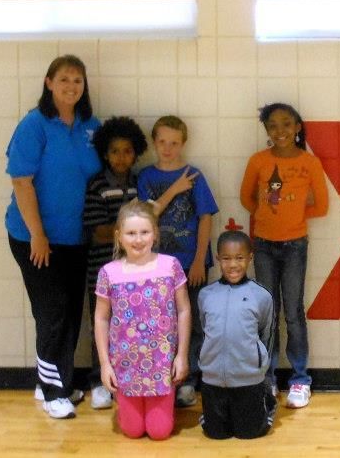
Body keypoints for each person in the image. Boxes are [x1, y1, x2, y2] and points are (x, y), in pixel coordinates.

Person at [5, 54, 101, 418]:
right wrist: (38, 236)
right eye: (64, 80)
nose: (71, 87)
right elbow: (21, 181)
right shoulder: (34, 124)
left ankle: (56, 380)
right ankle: (51, 390)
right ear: (49, 82)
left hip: (76, 238)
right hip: (34, 237)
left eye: (77, 80)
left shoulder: (90, 124)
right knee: (52, 312)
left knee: (71, 311)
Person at [240, 103, 329, 408]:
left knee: (293, 311)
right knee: (267, 312)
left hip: (295, 246)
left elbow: (322, 206)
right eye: (273, 125)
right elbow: (246, 198)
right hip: (263, 245)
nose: (280, 131)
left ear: (297, 127)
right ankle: (267, 379)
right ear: (266, 130)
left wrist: (292, 220)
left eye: (287, 124)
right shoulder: (258, 161)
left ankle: (300, 379)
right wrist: (268, 217)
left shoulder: (309, 163)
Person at [137, 115, 219, 407]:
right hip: (157, 266)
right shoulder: (146, 177)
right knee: (160, 324)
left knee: (193, 323)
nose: (168, 148)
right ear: (154, 143)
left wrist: (199, 260)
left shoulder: (194, 175)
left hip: (190, 263)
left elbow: (205, 218)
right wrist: (174, 188)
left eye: (174, 143)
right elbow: (147, 215)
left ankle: (189, 380)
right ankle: (162, 377)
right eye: (162, 142)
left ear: (183, 144)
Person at [92, 200, 191, 440]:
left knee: (159, 432)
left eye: (144, 232)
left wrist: (182, 355)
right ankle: (130, 409)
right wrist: (105, 364)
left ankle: (162, 406)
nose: (138, 239)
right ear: (119, 237)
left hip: (161, 362)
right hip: (125, 364)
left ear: (155, 234)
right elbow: (101, 318)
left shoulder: (170, 266)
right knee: (132, 431)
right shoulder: (109, 272)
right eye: (131, 233)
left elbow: (184, 310)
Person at [82, 116, 149, 410]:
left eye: (127, 151)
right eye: (114, 151)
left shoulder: (140, 183)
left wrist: (127, 232)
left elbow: (151, 224)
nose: (121, 157)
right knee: (102, 323)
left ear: (136, 153)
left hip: (137, 269)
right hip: (102, 269)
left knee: (133, 324)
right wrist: (132, 231)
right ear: (104, 154)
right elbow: (98, 232)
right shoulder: (96, 184)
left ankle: (130, 377)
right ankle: (99, 381)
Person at [198, 231, 276, 439]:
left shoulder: (261, 296)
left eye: (239, 258)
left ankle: (266, 402)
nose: (233, 265)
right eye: (226, 258)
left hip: (248, 380)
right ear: (218, 259)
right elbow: (205, 329)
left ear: (250, 258)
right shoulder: (206, 295)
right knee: (215, 434)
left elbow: (266, 334)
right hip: (213, 380)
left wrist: (260, 367)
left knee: (250, 433)